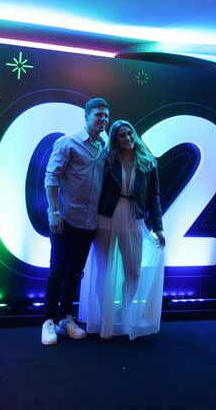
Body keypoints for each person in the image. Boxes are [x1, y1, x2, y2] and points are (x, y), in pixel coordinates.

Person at [79, 120, 166, 340]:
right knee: (103, 270)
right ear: (115, 140)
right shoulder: (108, 160)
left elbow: (154, 197)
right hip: (106, 216)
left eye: (130, 134)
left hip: (133, 217)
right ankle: (104, 320)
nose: (127, 138)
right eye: (121, 136)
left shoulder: (148, 162)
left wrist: (158, 227)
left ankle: (126, 316)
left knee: (134, 272)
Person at [41, 97, 110, 345]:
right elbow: (52, 177)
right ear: (87, 116)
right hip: (66, 218)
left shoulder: (104, 147)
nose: (103, 119)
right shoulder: (68, 142)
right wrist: (54, 212)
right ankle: (48, 320)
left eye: (106, 115)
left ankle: (65, 318)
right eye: (98, 114)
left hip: (89, 221)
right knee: (57, 270)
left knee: (75, 272)